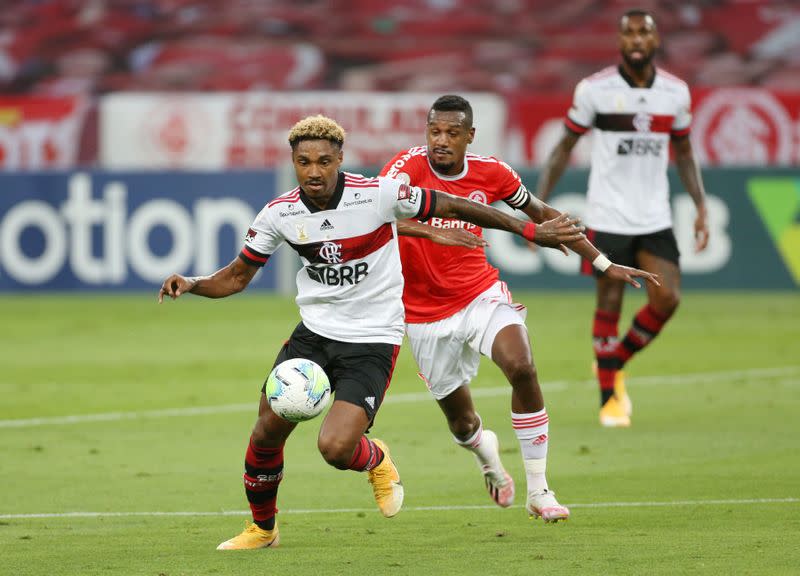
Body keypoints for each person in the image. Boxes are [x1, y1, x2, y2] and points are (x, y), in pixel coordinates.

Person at [158, 115, 589, 549]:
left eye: (324, 161)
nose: (313, 171)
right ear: (293, 161)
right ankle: (262, 529)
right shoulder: (279, 213)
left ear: (340, 159)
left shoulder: (378, 194)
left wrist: (529, 228)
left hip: (371, 341)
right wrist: (193, 283)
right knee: (265, 431)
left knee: (335, 448)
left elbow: (454, 206)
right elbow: (235, 277)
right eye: (304, 161)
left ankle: (376, 459)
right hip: (312, 335)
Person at [379, 95, 659, 522]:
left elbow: (544, 216)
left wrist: (602, 262)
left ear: (470, 136)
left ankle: (539, 490)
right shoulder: (405, 169)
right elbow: (375, 217)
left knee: (522, 366)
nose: (441, 141)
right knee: (463, 424)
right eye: (434, 131)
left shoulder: (492, 172)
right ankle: (487, 457)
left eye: (452, 133)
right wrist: (432, 234)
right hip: (424, 316)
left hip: (479, 296)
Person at [536, 9, 709, 427]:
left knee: (667, 299)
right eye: (629, 32)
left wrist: (701, 205)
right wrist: (539, 205)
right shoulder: (594, 90)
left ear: (655, 40)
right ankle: (609, 395)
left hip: (654, 215)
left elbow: (684, 153)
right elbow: (563, 147)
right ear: (619, 41)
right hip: (608, 213)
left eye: (643, 33)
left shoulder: (676, 93)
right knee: (609, 300)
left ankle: (611, 360)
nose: (635, 39)